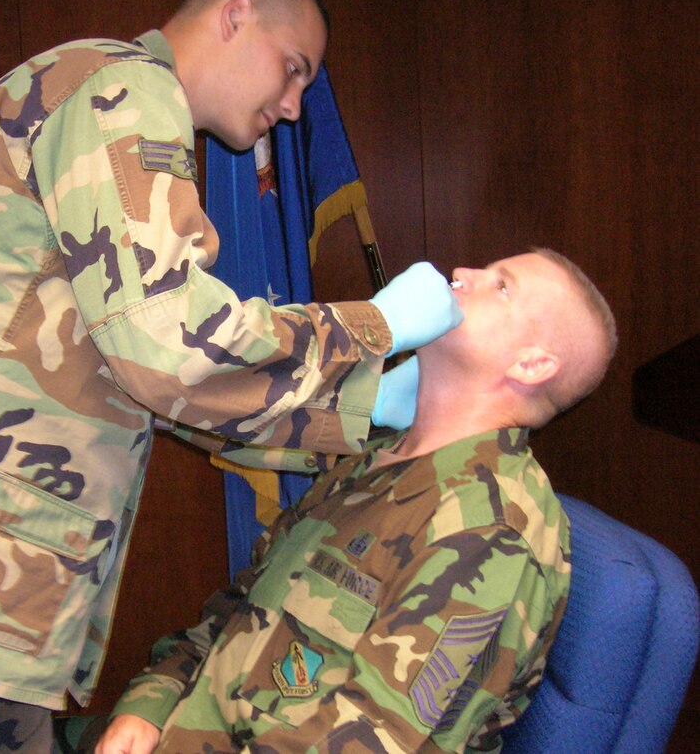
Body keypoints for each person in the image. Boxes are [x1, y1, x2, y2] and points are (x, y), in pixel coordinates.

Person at [0, 0, 461, 751]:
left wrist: (364, 405)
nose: (294, 108)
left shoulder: (113, 103)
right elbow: (172, 352)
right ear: (234, 16)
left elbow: (156, 381)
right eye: (291, 69)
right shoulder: (117, 90)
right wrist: (376, 326)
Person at [98, 249, 618, 753]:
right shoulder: (371, 460)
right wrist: (148, 705)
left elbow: (374, 739)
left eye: (501, 286)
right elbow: (235, 610)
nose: (462, 272)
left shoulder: (489, 532)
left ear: (531, 365)